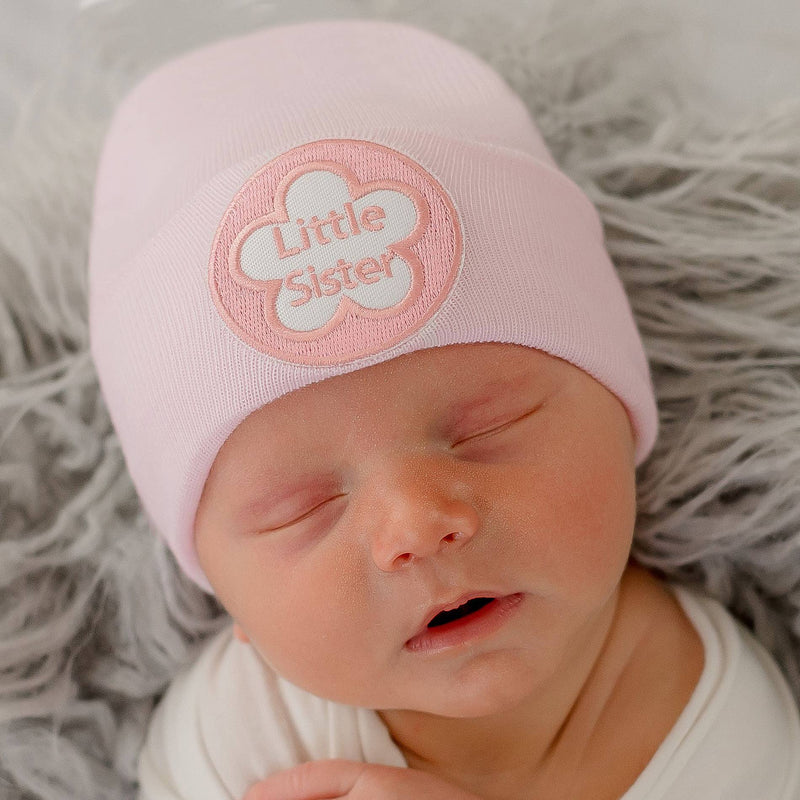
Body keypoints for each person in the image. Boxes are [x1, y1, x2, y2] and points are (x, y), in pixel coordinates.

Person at [87, 18, 800, 800]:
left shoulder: (723, 727)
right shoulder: (242, 738)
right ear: (228, 598)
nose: (418, 525)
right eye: (304, 509)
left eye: (487, 431)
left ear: (622, 414)